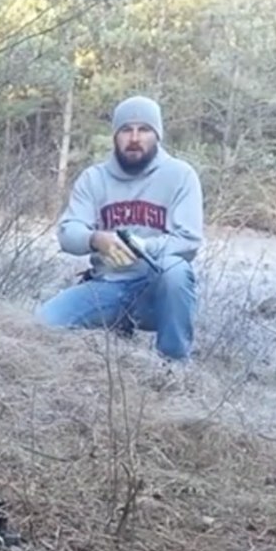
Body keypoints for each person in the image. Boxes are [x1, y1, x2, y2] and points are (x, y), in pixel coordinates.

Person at [36, 95, 204, 362]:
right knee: (42, 323)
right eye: (126, 130)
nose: (135, 138)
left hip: (155, 288)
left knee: (176, 271)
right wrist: (96, 239)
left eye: (144, 129)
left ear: (157, 135)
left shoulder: (180, 176)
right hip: (108, 285)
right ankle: (114, 332)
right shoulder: (94, 179)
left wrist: (143, 246)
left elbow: (189, 240)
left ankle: (174, 364)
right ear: (115, 135)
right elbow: (68, 231)